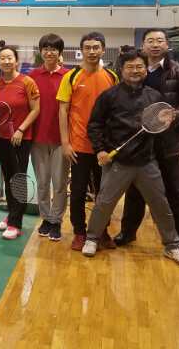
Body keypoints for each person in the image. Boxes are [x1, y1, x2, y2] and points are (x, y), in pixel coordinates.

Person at [82, 48, 179, 266]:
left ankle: (172, 246)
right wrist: (100, 149)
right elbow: (94, 125)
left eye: (139, 66)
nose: (135, 70)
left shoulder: (154, 96)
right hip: (118, 162)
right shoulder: (109, 96)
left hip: (146, 162)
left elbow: (161, 126)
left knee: (160, 204)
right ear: (121, 70)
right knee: (104, 203)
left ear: (145, 70)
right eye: (130, 67)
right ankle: (92, 238)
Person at [116, 29, 179, 261]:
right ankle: (128, 233)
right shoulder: (136, 70)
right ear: (143, 45)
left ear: (167, 44)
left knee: (177, 193)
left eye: (159, 40)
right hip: (141, 143)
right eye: (150, 41)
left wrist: (173, 116)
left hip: (169, 143)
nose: (155, 45)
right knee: (135, 192)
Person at [58, 32, 118, 251]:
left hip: (104, 148)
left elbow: (117, 110)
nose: (92, 51)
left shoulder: (112, 76)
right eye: (88, 47)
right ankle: (80, 232)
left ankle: (102, 231)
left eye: (96, 47)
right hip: (79, 146)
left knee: (105, 194)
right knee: (78, 192)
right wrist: (65, 143)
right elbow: (63, 110)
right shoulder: (71, 76)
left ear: (103, 50)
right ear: (81, 50)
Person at [0, 46, 40, 240]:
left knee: (18, 178)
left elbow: (35, 109)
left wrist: (21, 129)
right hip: (2, 137)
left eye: (10, 58)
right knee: (8, 177)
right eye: (2, 58)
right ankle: (12, 214)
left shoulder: (27, 82)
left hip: (21, 138)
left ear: (16, 60)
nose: (6, 61)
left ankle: (16, 223)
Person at [26, 33, 70, 242]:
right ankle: (46, 218)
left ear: (60, 52)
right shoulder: (32, 76)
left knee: (59, 183)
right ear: (41, 51)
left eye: (53, 49)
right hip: (38, 139)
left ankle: (57, 220)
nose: (49, 52)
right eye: (45, 48)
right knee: (42, 182)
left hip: (62, 140)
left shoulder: (69, 76)